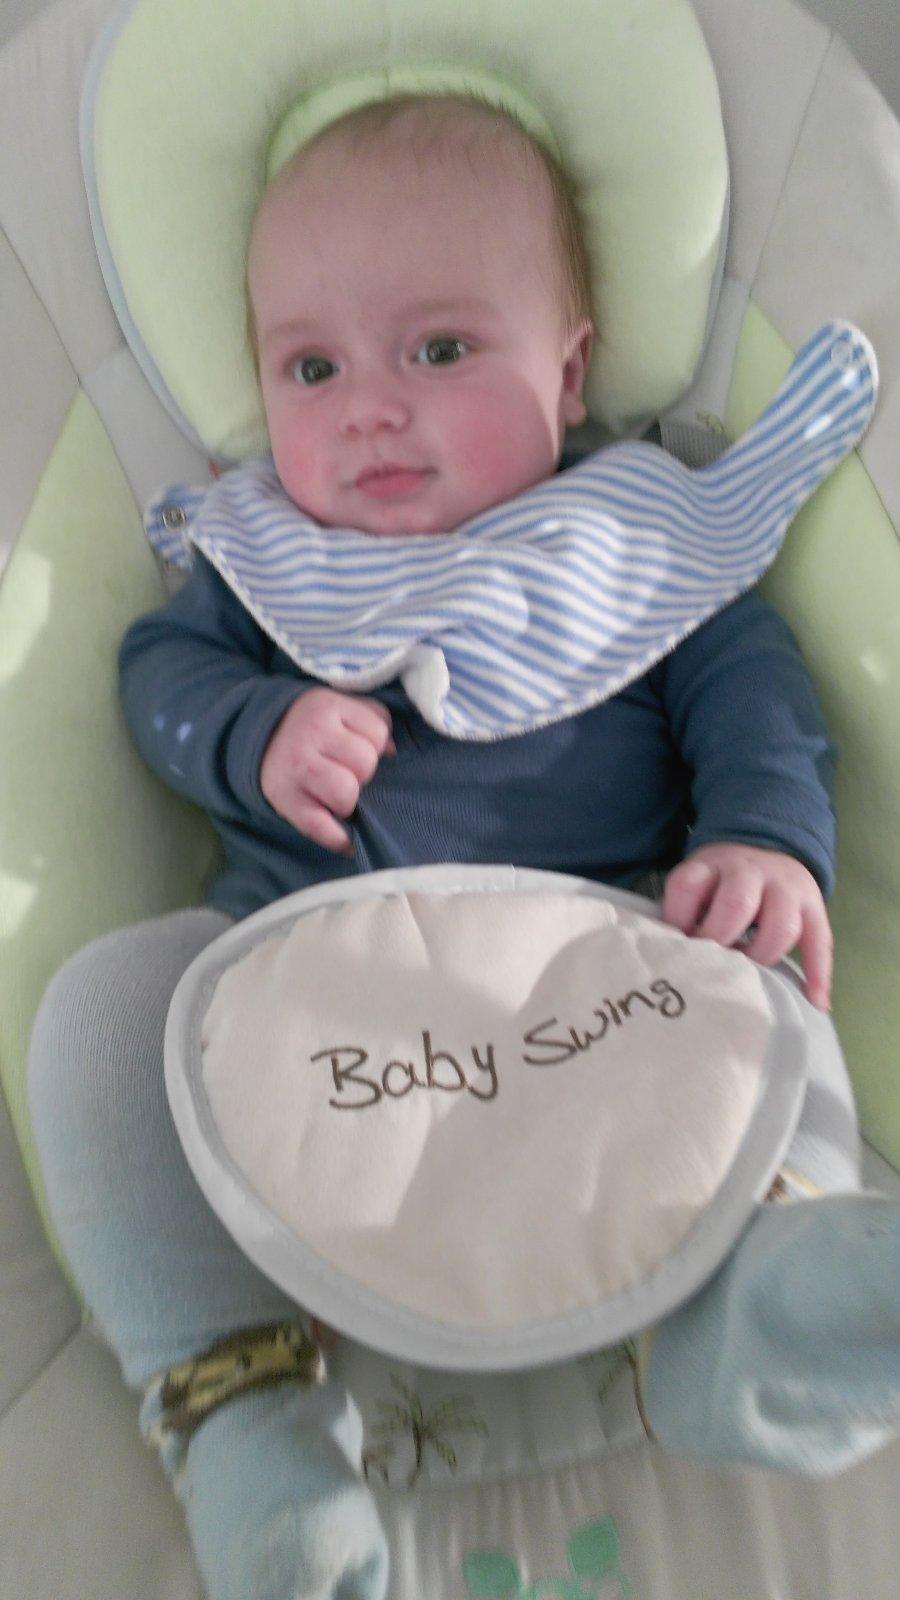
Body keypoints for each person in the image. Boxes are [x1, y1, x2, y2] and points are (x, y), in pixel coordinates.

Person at [28, 94, 898, 1600]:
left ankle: (764, 1308)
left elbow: (752, 686)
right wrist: (254, 729)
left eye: (438, 350)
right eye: (311, 368)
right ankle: (241, 1411)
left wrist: (766, 838)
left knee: (763, 984)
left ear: (567, 372)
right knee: (101, 1015)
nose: (369, 408)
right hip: (309, 997)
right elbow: (157, 679)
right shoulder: (272, 564)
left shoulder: (634, 539)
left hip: (611, 989)